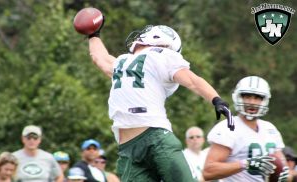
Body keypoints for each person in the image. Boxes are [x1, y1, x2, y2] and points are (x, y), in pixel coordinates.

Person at [85, 14, 234, 181]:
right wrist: (94, 34)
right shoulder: (124, 61)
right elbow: (100, 59)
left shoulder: (160, 55)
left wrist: (216, 99)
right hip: (130, 147)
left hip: (154, 138)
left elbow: (191, 80)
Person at [203, 76, 289, 182]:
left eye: (257, 97)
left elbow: (282, 165)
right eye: (247, 96)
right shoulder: (228, 127)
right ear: (238, 97)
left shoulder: (270, 129)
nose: (252, 102)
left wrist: (283, 174)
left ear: (264, 100)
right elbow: (208, 172)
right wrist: (245, 163)